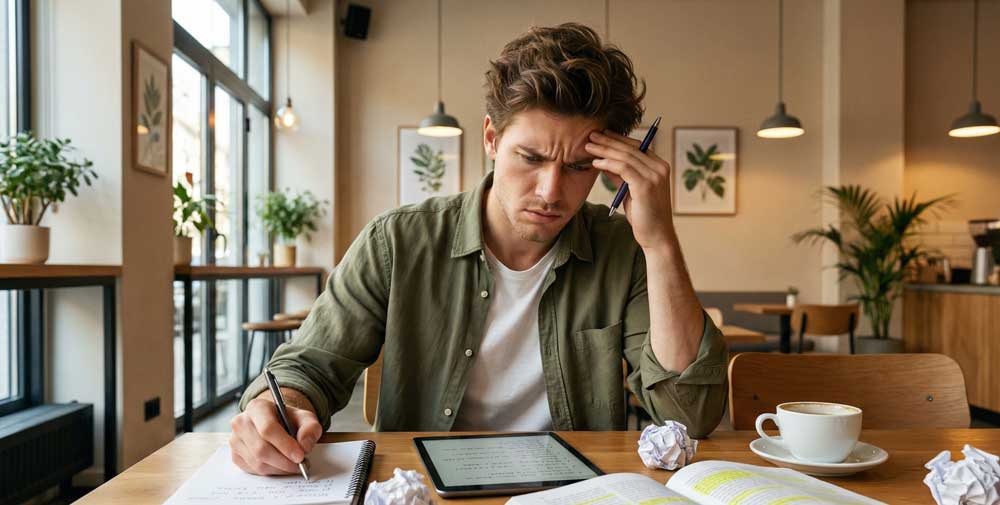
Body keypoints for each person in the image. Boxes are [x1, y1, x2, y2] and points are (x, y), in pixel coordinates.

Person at [229, 22, 727, 477]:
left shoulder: (623, 247)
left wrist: (660, 241)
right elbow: (309, 365)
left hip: (575, 490)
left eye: (579, 167)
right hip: (424, 486)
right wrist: (280, 407)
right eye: (530, 157)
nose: (552, 191)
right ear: (491, 138)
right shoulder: (398, 242)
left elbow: (688, 415)